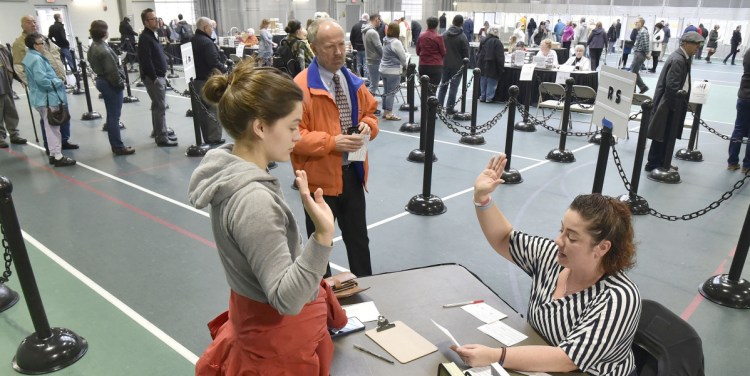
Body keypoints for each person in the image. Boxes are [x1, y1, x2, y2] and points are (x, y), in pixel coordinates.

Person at [189, 59, 347, 375]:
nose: (297, 137)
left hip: (257, 329)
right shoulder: (254, 202)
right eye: (291, 127)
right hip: (275, 351)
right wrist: (322, 236)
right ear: (260, 127)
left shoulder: (230, 172)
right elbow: (287, 299)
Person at [451, 154, 641, 375]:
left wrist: (495, 356)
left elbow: (567, 360)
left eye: (572, 237)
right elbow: (504, 239)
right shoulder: (553, 256)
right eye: (561, 230)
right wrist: (482, 198)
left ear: (602, 248)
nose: (558, 241)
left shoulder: (618, 297)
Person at [291, 18, 379, 277]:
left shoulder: (352, 81)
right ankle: (322, 302)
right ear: (314, 47)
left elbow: (371, 113)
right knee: (320, 247)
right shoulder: (300, 87)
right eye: (330, 46)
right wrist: (332, 142)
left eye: (342, 44)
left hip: (353, 174)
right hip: (319, 184)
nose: (339, 52)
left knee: (359, 242)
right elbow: (293, 135)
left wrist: (367, 126)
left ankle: (369, 293)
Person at [14, 15, 77, 151]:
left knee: (63, 112)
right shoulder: (19, 43)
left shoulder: (43, 38)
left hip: (58, 82)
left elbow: (55, 54)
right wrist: (31, 82)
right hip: (44, 86)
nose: (33, 24)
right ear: (22, 25)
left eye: (34, 21)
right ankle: (51, 146)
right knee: (49, 118)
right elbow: (18, 67)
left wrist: (61, 76)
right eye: (29, 22)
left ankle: (63, 141)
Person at [645, 32, 704, 173]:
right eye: (695, 44)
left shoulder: (683, 57)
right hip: (668, 104)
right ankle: (654, 164)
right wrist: (675, 108)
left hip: (671, 104)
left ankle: (662, 162)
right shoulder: (678, 59)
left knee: (665, 135)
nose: (698, 47)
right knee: (662, 136)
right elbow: (672, 87)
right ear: (685, 43)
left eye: (699, 45)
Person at [22, 32, 76, 167]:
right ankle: (58, 156)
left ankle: (53, 154)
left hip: (41, 98)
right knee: (53, 128)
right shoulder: (37, 59)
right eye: (41, 43)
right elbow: (42, 80)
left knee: (49, 126)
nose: (44, 46)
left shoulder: (31, 57)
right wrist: (58, 81)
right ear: (34, 45)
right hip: (47, 98)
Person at [87, 20, 135, 156]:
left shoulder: (94, 46)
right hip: (109, 82)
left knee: (111, 115)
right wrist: (120, 84)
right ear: (104, 32)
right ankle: (118, 146)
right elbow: (112, 72)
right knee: (114, 116)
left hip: (101, 79)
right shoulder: (103, 49)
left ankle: (116, 144)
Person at [138, 8, 178, 147]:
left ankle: (160, 132)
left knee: (157, 106)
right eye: (153, 19)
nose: (156, 20)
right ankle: (162, 137)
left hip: (159, 76)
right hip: (154, 78)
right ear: (146, 22)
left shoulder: (153, 35)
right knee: (160, 107)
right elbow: (145, 60)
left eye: (156, 18)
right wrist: (154, 77)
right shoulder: (145, 37)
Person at [192, 17, 226, 146]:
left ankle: (206, 136)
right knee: (214, 107)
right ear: (205, 27)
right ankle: (214, 137)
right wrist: (225, 70)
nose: (212, 30)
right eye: (211, 27)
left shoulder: (192, 40)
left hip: (196, 79)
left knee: (202, 109)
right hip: (207, 79)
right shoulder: (207, 42)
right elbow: (213, 62)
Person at [438, 15, 469, 115]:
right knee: (453, 88)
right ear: (462, 23)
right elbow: (466, 54)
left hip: (445, 64)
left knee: (443, 87)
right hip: (457, 67)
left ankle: (439, 107)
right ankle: (449, 109)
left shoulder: (444, 34)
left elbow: (440, 50)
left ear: (452, 21)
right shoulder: (462, 36)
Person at [727, 48, 750, 174]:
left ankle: (732, 162)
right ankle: (747, 166)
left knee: (738, 129)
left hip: (743, 96)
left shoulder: (748, 52)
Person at [380, 22, 407, 121]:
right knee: (391, 92)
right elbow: (403, 57)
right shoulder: (396, 42)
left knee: (386, 91)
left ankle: (385, 112)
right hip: (393, 70)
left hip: (383, 69)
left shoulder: (385, 40)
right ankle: (390, 113)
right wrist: (405, 66)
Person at [0, 43, 26, 148]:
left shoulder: (3, 49)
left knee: (11, 112)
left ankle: (14, 134)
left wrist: (20, 78)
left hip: (6, 86)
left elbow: (12, 66)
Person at [416, 16, 446, 88]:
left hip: (423, 65)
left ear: (427, 24)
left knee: (424, 90)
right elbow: (443, 52)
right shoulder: (438, 37)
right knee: (433, 91)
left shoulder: (421, 36)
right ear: (437, 25)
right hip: (436, 66)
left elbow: (417, 52)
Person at [477, 25, 504, 103]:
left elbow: (478, 53)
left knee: (483, 81)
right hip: (493, 65)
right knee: (491, 82)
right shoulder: (498, 42)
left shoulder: (483, 40)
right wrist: (501, 68)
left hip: (482, 64)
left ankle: (482, 96)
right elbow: (500, 57)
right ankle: (489, 98)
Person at [362, 14, 383, 115]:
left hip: (371, 60)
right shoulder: (372, 32)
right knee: (373, 86)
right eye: (379, 20)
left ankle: (368, 106)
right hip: (375, 61)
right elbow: (379, 47)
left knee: (372, 84)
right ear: (375, 19)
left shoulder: (366, 31)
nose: (380, 22)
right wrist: (385, 57)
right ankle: (369, 107)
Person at [630, 17, 651, 94]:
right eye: (635, 22)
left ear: (641, 23)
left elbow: (645, 44)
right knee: (634, 71)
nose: (635, 23)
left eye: (637, 22)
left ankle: (641, 88)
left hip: (640, 53)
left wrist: (646, 53)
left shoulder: (643, 32)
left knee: (633, 72)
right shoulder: (640, 31)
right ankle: (640, 88)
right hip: (638, 53)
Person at [350, 13, 368, 77]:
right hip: (366, 49)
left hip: (357, 48)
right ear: (367, 19)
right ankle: (366, 81)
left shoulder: (355, 26)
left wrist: (354, 46)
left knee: (358, 65)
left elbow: (351, 38)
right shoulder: (368, 26)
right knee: (366, 66)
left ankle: (358, 79)